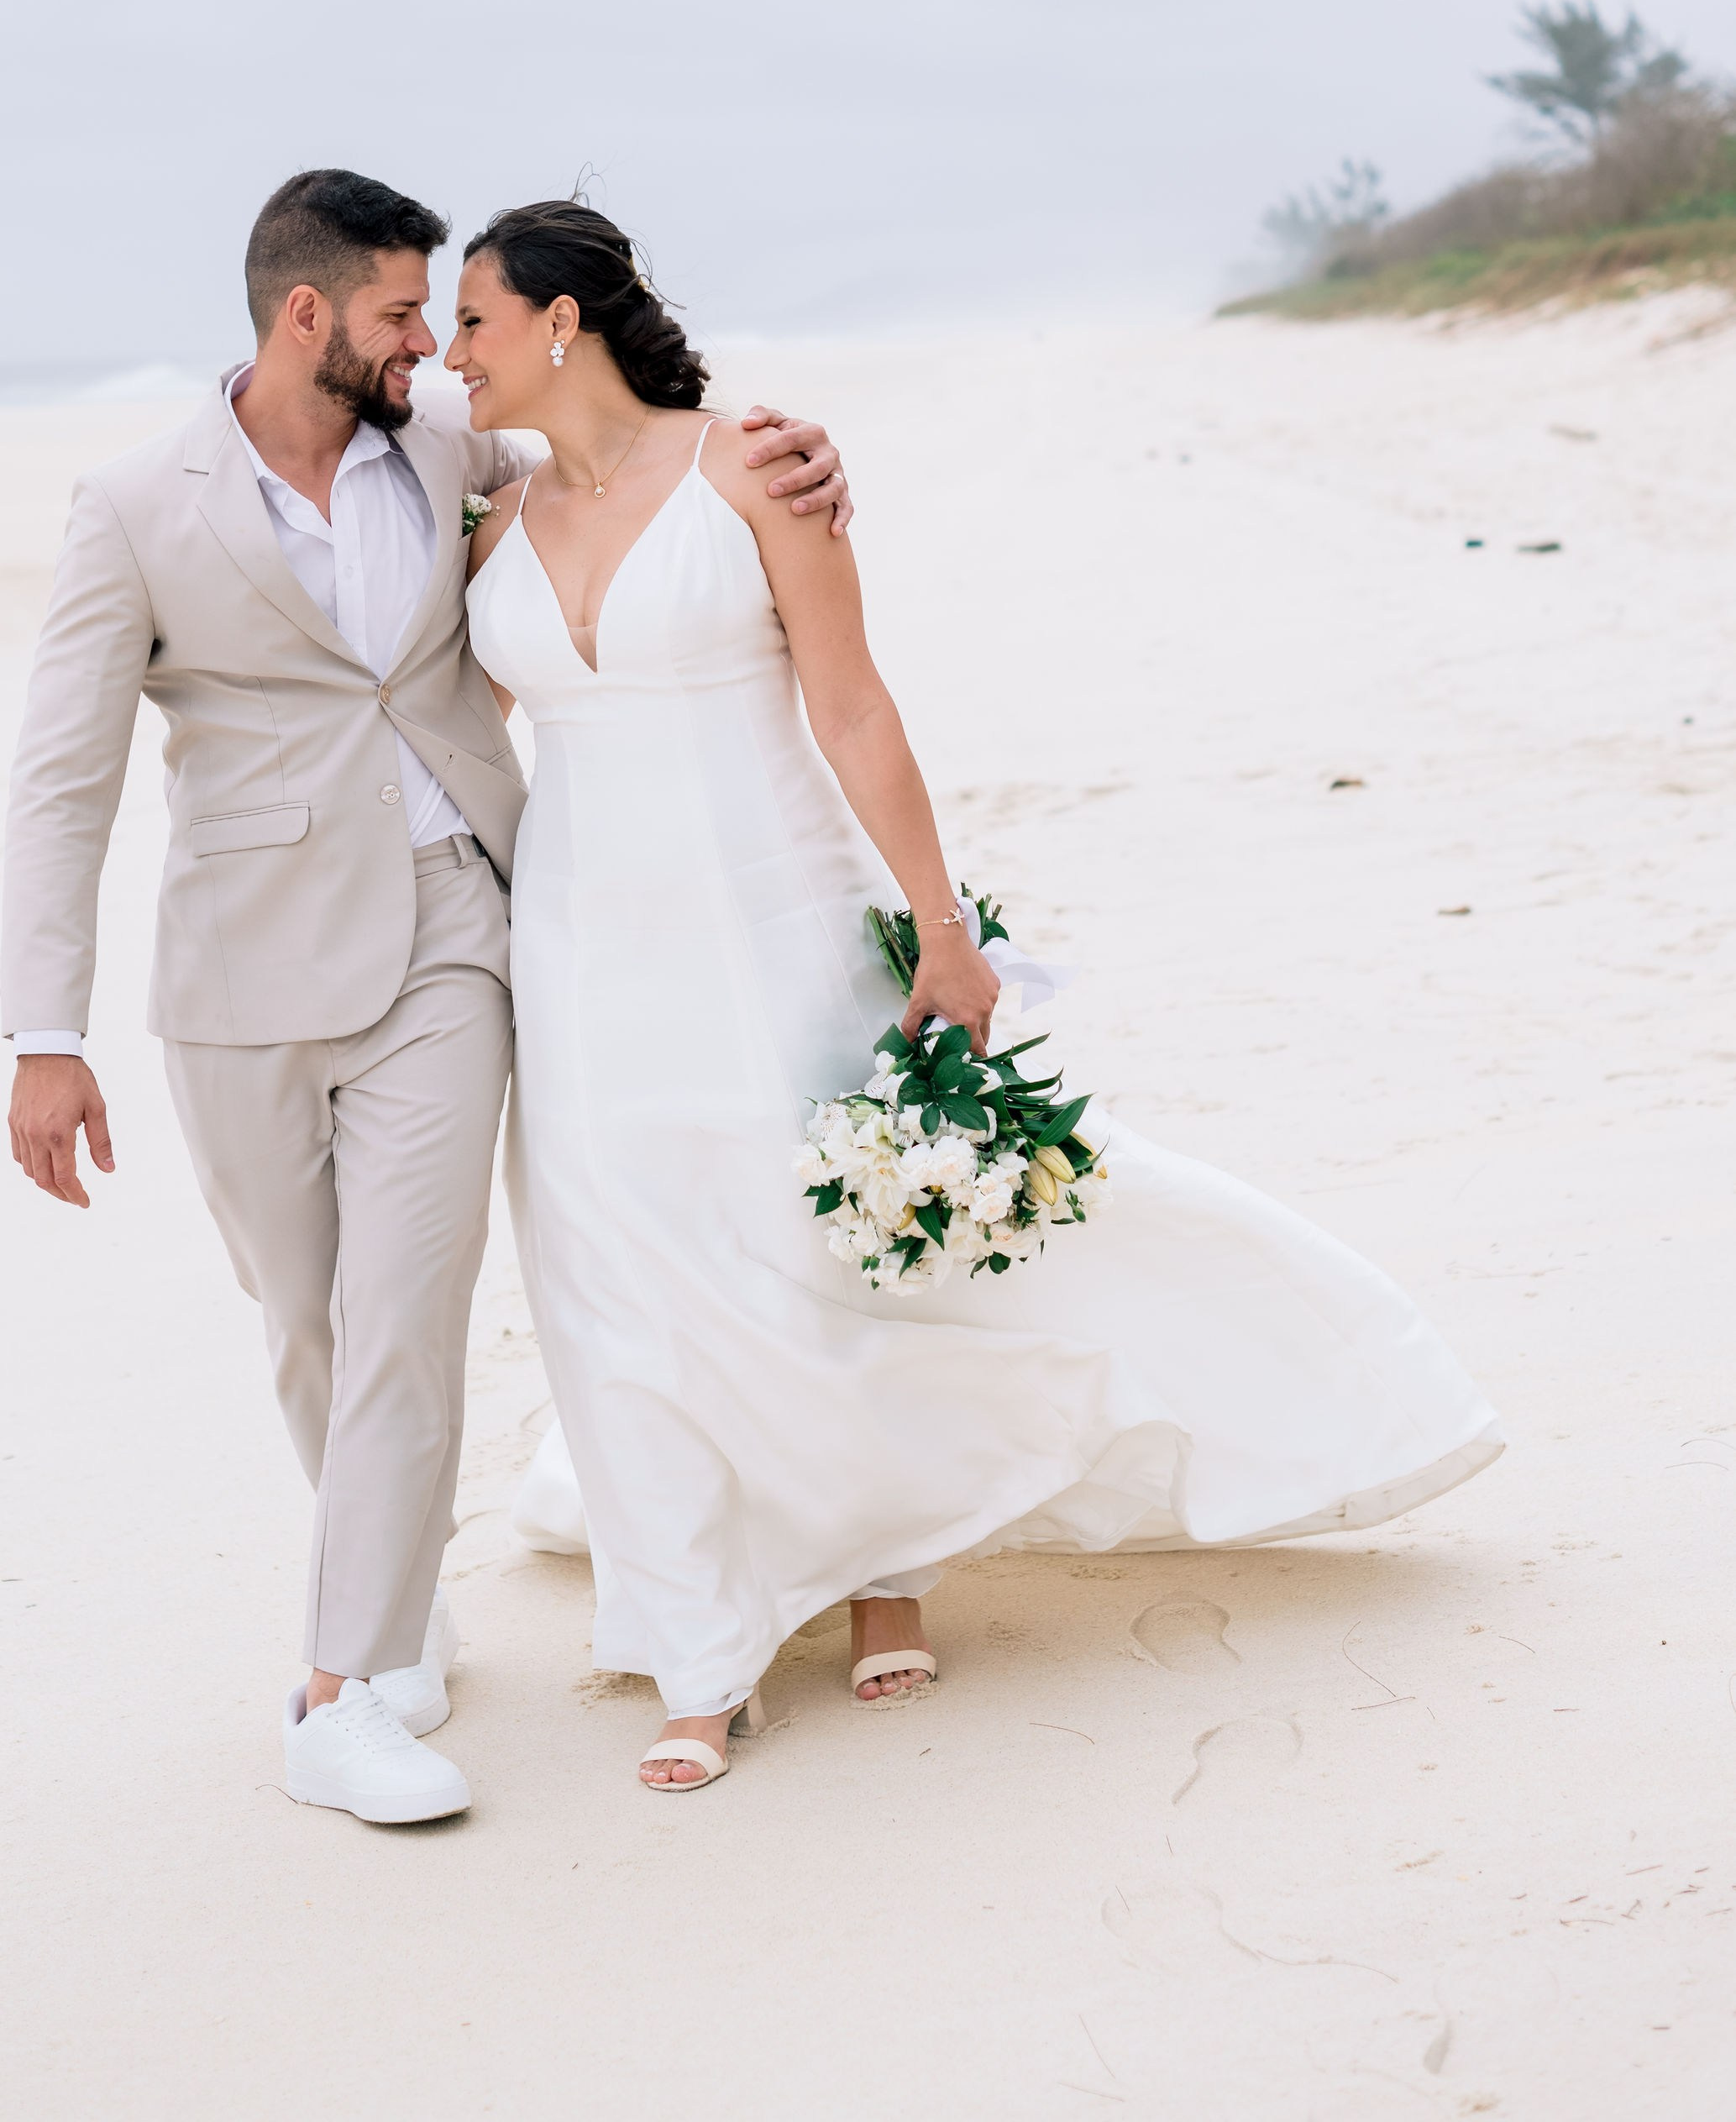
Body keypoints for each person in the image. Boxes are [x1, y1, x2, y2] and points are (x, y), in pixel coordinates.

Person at [451, 199, 1504, 1794]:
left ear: (557, 324)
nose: (451, 353)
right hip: (585, 943)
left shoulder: (751, 467)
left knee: (828, 1243)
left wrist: (946, 931)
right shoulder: (487, 521)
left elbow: (856, 707)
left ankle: (888, 1565)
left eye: (471, 319)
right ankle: (699, 1647)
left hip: (773, 906)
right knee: (614, 1269)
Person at [0, 168, 852, 1825]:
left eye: (441, 320)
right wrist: (46, 1032)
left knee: (407, 1311)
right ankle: (392, 1604)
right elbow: (61, 781)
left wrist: (788, 450)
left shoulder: (456, 455)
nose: (431, 352)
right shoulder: (133, 505)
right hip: (237, 973)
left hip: (456, 935)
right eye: (404, 317)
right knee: (308, 1324)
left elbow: (632, 456)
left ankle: (341, 1688)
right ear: (304, 315)